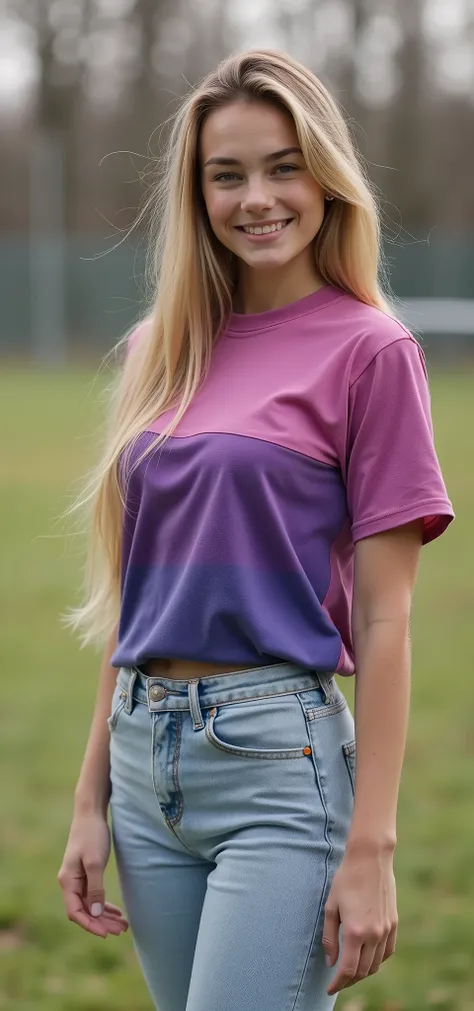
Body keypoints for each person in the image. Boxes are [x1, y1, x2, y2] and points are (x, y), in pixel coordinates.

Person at [58, 48, 454, 1010]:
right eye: (226, 174)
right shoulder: (160, 346)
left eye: (283, 166)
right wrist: (89, 798)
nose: (257, 198)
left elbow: (388, 621)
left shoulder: (372, 352)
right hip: (146, 769)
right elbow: (139, 589)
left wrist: (373, 845)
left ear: (326, 175)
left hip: (281, 765)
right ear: (195, 194)